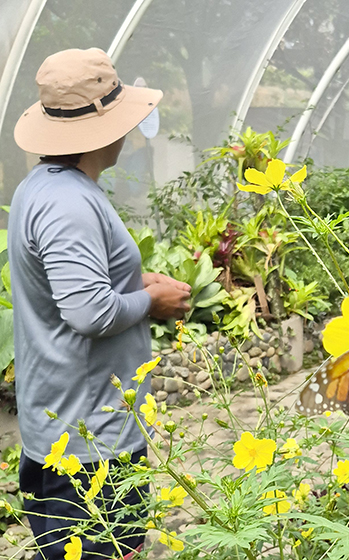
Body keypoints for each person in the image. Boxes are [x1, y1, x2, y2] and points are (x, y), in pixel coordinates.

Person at [7, 48, 191, 559]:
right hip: (89, 443)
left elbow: (70, 285)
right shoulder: (69, 205)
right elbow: (89, 314)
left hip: (69, 425)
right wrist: (151, 300)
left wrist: (131, 278)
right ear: (103, 130)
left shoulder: (43, 188)